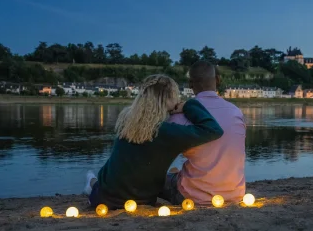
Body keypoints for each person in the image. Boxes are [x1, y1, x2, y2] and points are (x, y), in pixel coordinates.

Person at [83, 74, 224, 209]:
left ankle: (92, 181)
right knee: (169, 176)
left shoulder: (126, 119)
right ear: (168, 98)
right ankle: (91, 181)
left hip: (102, 199)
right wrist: (189, 105)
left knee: (104, 179)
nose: (178, 100)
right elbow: (213, 130)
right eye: (175, 96)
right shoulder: (167, 132)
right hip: (142, 201)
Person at [163, 61, 246, 206]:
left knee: (161, 179)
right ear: (218, 80)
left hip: (192, 197)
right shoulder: (236, 112)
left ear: (190, 84)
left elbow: (162, 153)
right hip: (235, 193)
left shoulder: (179, 117)